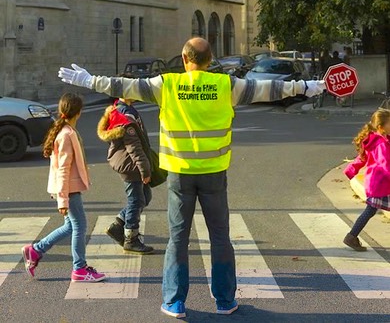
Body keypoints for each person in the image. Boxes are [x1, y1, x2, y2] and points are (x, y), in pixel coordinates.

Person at [58, 37, 325, 318]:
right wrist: (307, 86)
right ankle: (224, 301)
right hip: (213, 173)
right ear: (210, 61)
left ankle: (174, 301)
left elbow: (124, 86)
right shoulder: (226, 85)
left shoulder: (168, 85)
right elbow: (268, 89)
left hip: (180, 175)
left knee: (178, 239)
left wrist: (89, 80)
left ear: (184, 59)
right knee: (220, 237)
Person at [21, 93, 105, 282]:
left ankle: (35, 250)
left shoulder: (65, 131)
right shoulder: (67, 134)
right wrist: (63, 199)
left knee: (70, 226)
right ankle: (79, 269)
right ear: (79, 112)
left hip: (67, 187)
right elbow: (63, 170)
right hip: (68, 188)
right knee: (79, 226)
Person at [97, 97, 154, 254]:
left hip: (130, 163)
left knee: (145, 197)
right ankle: (131, 239)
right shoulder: (125, 116)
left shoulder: (120, 109)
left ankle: (118, 225)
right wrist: (145, 170)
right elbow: (134, 147)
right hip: (131, 165)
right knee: (136, 201)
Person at [343, 109, 390, 251]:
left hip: (375, 184)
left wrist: (351, 169)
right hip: (381, 184)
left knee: (370, 211)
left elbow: (361, 158)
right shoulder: (381, 144)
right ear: (381, 127)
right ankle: (351, 236)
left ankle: (352, 236)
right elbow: (385, 164)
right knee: (370, 211)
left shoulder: (374, 139)